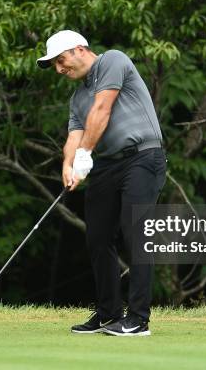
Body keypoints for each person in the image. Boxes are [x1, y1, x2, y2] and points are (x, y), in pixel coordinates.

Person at [37, 30, 166, 336]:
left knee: (134, 233)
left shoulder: (113, 60)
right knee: (97, 237)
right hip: (108, 165)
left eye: (60, 60)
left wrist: (84, 154)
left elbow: (102, 109)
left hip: (142, 157)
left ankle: (138, 319)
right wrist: (69, 165)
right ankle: (109, 314)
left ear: (79, 49)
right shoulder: (77, 97)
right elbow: (74, 136)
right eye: (54, 64)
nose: (58, 69)